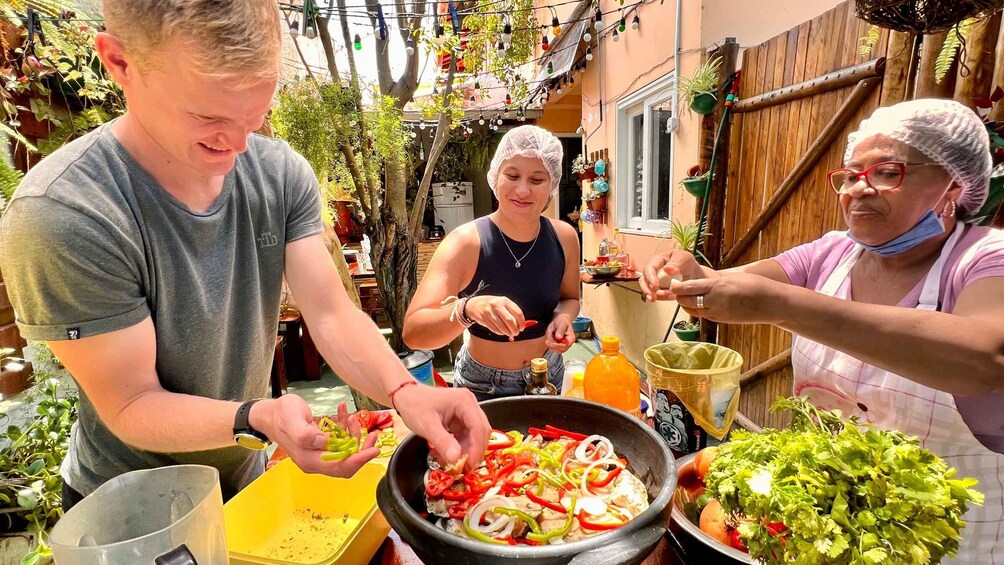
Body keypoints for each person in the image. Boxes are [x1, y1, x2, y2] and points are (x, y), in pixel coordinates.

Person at [0, 0, 488, 510]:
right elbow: (130, 403)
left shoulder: (278, 173)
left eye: (255, 117)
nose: (236, 146)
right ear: (119, 63)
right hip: (131, 508)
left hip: (243, 481)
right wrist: (254, 417)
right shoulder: (66, 212)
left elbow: (331, 313)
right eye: (207, 116)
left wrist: (403, 390)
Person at [641, 99, 1004, 561]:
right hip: (821, 532)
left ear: (952, 182)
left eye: (886, 172)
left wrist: (785, 305)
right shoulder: (832, 253)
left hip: (948, 545)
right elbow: (723, 285)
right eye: (851, 175)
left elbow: (987, 359)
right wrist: (689, 273)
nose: (859, 189)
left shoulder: (986, 258)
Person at [403, 126, 581, 400]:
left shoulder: (564, 237)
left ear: (552, 186)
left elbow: (570, 298)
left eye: (537, 180)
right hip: (483, 385)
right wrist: (467, 308)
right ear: (495, 177)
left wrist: (563, 318)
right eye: (512, 175)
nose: (522, 190)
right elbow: (414, 333)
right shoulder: (465, 243)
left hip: (548, 374)